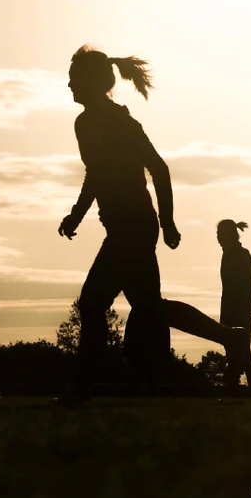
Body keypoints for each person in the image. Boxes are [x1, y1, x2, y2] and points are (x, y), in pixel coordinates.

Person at [57, 46, 180, 402]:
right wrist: (77, 214)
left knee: (95, 302)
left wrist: (168, 222)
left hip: (133, 226)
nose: (68, 85)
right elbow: (97, 174)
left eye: (73, 79)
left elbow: (158, 169)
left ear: (93, 82)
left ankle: (82, 386)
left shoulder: (115, 123)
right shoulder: (96, 122)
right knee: (148, 306)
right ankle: (153, 382)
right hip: (130, 226)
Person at [217, 220, 251, 387]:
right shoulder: (227, 255)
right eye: (218, 235)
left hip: (241, 308)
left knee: (243, 350)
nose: (218, 238)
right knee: (231, 349)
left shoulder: (242, 254)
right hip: (228, 307)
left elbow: (249, 284)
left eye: (221, 234)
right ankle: (234, 386)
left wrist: (244, 309)